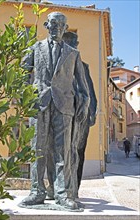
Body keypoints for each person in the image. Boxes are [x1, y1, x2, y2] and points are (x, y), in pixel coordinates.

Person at [20, 12, 90, 210]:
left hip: (64, 106)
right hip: (39, 104)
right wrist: (27, 95)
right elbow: (22, 74)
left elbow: (83, 86)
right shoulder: (35, 48)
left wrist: (84, 104)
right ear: (46, 25)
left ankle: (62, 194)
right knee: (37, 149)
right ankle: (36, 191)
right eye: (53, 23)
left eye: (61, 25)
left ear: (65, 28)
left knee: (63, 152)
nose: (57, 28)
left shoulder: (73, 53)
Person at [62, 31, 97, 196]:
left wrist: (93, 112)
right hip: (64, 114)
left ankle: (74, 189)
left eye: (75, 44)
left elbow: (90, 91)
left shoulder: (83, 66)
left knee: (78, 151)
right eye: (72, 44)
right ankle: (61, 189)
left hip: (81, 114)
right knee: (63, 151)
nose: (75, 47)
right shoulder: (59, 66)